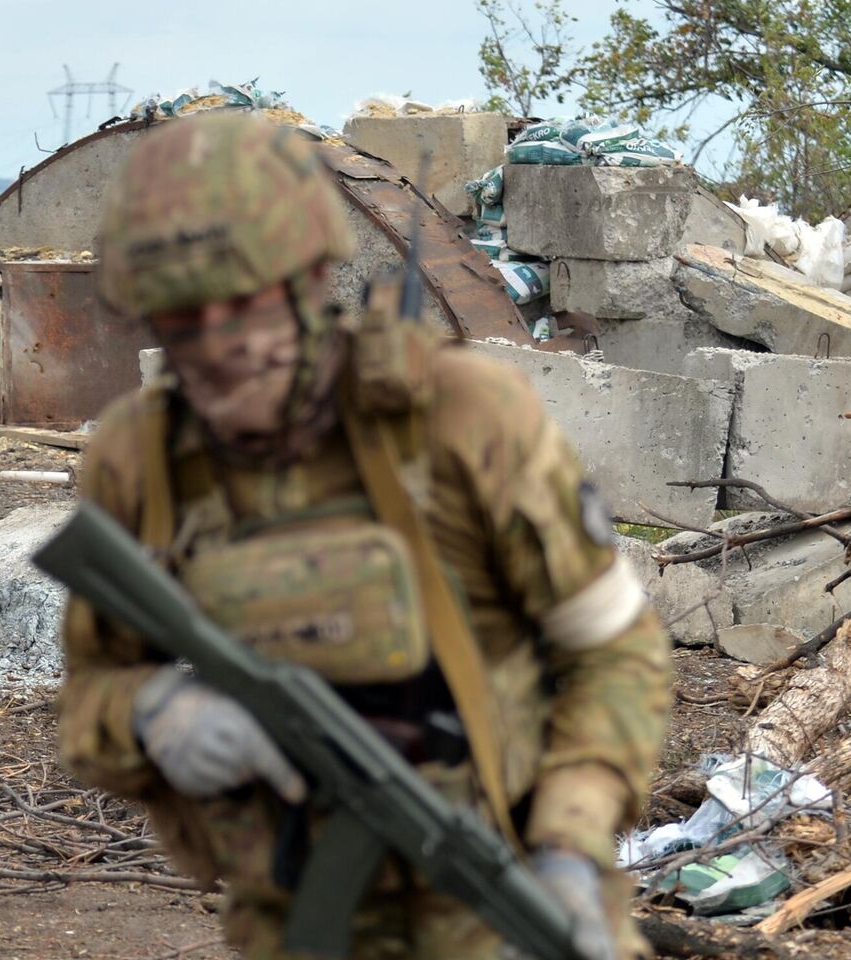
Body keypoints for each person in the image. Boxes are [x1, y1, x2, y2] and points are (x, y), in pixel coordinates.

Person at [56, 112, 672, 959]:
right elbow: (92, 689)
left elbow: (614, 653)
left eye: (247, 303)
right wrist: (152, 714)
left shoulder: (459, 417)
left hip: (506, 901)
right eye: (184, 319)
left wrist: (568, 850)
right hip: (296, 920)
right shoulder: (140, 460)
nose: (221, 346)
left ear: (311, 282)